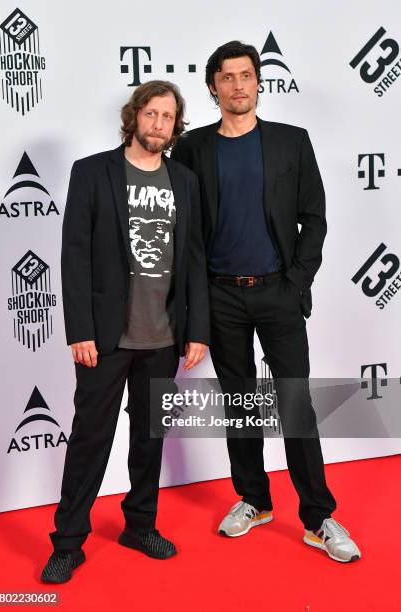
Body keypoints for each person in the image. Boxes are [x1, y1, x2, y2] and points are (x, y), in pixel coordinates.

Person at [171, 41, 361, 562]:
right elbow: (184, 230)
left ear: (259, 82)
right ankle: (254, 500)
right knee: (240, 408)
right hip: (220, 296)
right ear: (213, 87)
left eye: (245, 76)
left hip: (278, 292)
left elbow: (314, 218)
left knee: (296, 404)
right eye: (226, 77)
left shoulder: (291, 142)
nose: (237, 85)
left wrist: (297, 282)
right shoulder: (192, 149)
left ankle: (318, 516)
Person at [41, 80, 209, 583]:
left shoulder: (184, 180)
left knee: (148, 438)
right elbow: (74, 255)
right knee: (91, 438)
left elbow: (194, 258)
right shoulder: (93, 172)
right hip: (106, 339)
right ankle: (68, 542)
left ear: (175, 125)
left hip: (162, 337)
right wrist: (80, 330)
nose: (159, 124)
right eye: (151, 114)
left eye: (168, 117)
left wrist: (197, 329)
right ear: (134, 116)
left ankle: (140, 525)